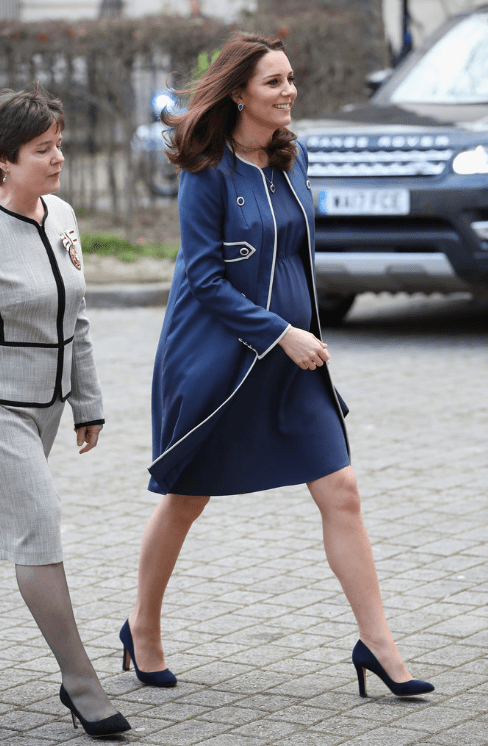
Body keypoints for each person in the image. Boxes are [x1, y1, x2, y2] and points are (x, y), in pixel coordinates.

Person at [120, 33, 434, 699]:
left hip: (295, 361)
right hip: (218, 359)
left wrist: (300, 333)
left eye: (290, 79)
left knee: (342, 490)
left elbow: (295, 251)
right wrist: (279, 332)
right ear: (239, 93)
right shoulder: (206, 170)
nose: (289, 91)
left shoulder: (295, 156)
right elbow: (204, 280)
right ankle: (141, 626)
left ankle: (378, 643)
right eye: (273, 82)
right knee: (187, 497)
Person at [0, 86, 131, 736]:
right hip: (2, 408)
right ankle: (81, 683)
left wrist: (88, 400)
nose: (57, 159)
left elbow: (76, 316)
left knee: (22, 528)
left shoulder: (62, 215)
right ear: (3, 161)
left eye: (59, 145)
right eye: (41, 149)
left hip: (48, 407)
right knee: (39, 528)